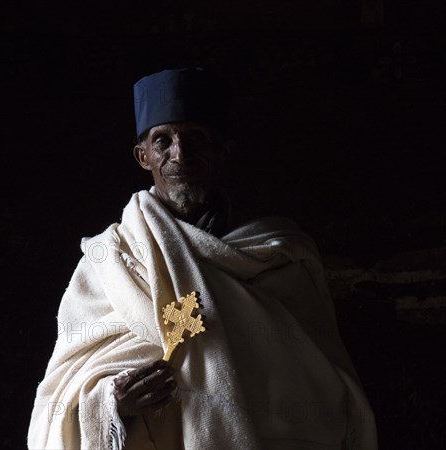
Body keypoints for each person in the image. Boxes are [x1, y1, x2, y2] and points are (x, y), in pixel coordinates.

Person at [27, 67, 377, 450]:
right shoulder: (109, 260)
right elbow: (60, 396)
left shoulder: (279, 256)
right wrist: (112, 403)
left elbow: (328, 388)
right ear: (143, 157)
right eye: (163, 141)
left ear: (222, 150)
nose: (180, 155)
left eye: (196, 139)